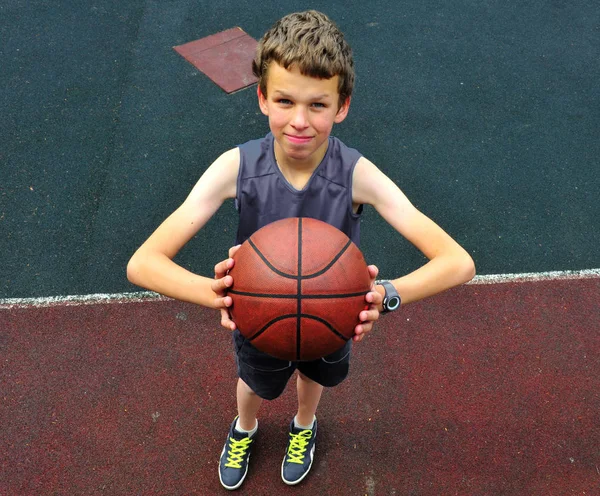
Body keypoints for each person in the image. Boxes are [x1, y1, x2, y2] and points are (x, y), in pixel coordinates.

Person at [127, 9, 475, 491]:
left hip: (332, 315)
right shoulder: (236, 167)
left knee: (313, 377)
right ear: (262, 98)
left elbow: (459, 262)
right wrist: (220, 294)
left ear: (342, 106)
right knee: (252, 384)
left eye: (317, 105)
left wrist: (385, 294)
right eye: (285, 101)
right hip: (259, 313)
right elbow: (142, 263)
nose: (299, 121)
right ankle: (244, 427)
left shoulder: (357, 174)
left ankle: (304, 425)